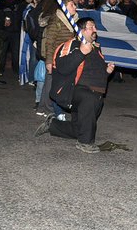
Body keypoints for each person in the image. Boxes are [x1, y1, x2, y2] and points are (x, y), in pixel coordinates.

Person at [35, 17, 116, 153]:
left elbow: (95, 73)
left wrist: (106, 71)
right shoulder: (71, 45)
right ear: (81, 30)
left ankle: (53, 125)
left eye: (95, 27)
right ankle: (85, 143)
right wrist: (80, 52)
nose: (95, 30)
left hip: (96, 93)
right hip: (76, 91)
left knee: (81, 128)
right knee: (88, 105)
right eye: (91, 27)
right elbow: (62, 67)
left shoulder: (96, 48)